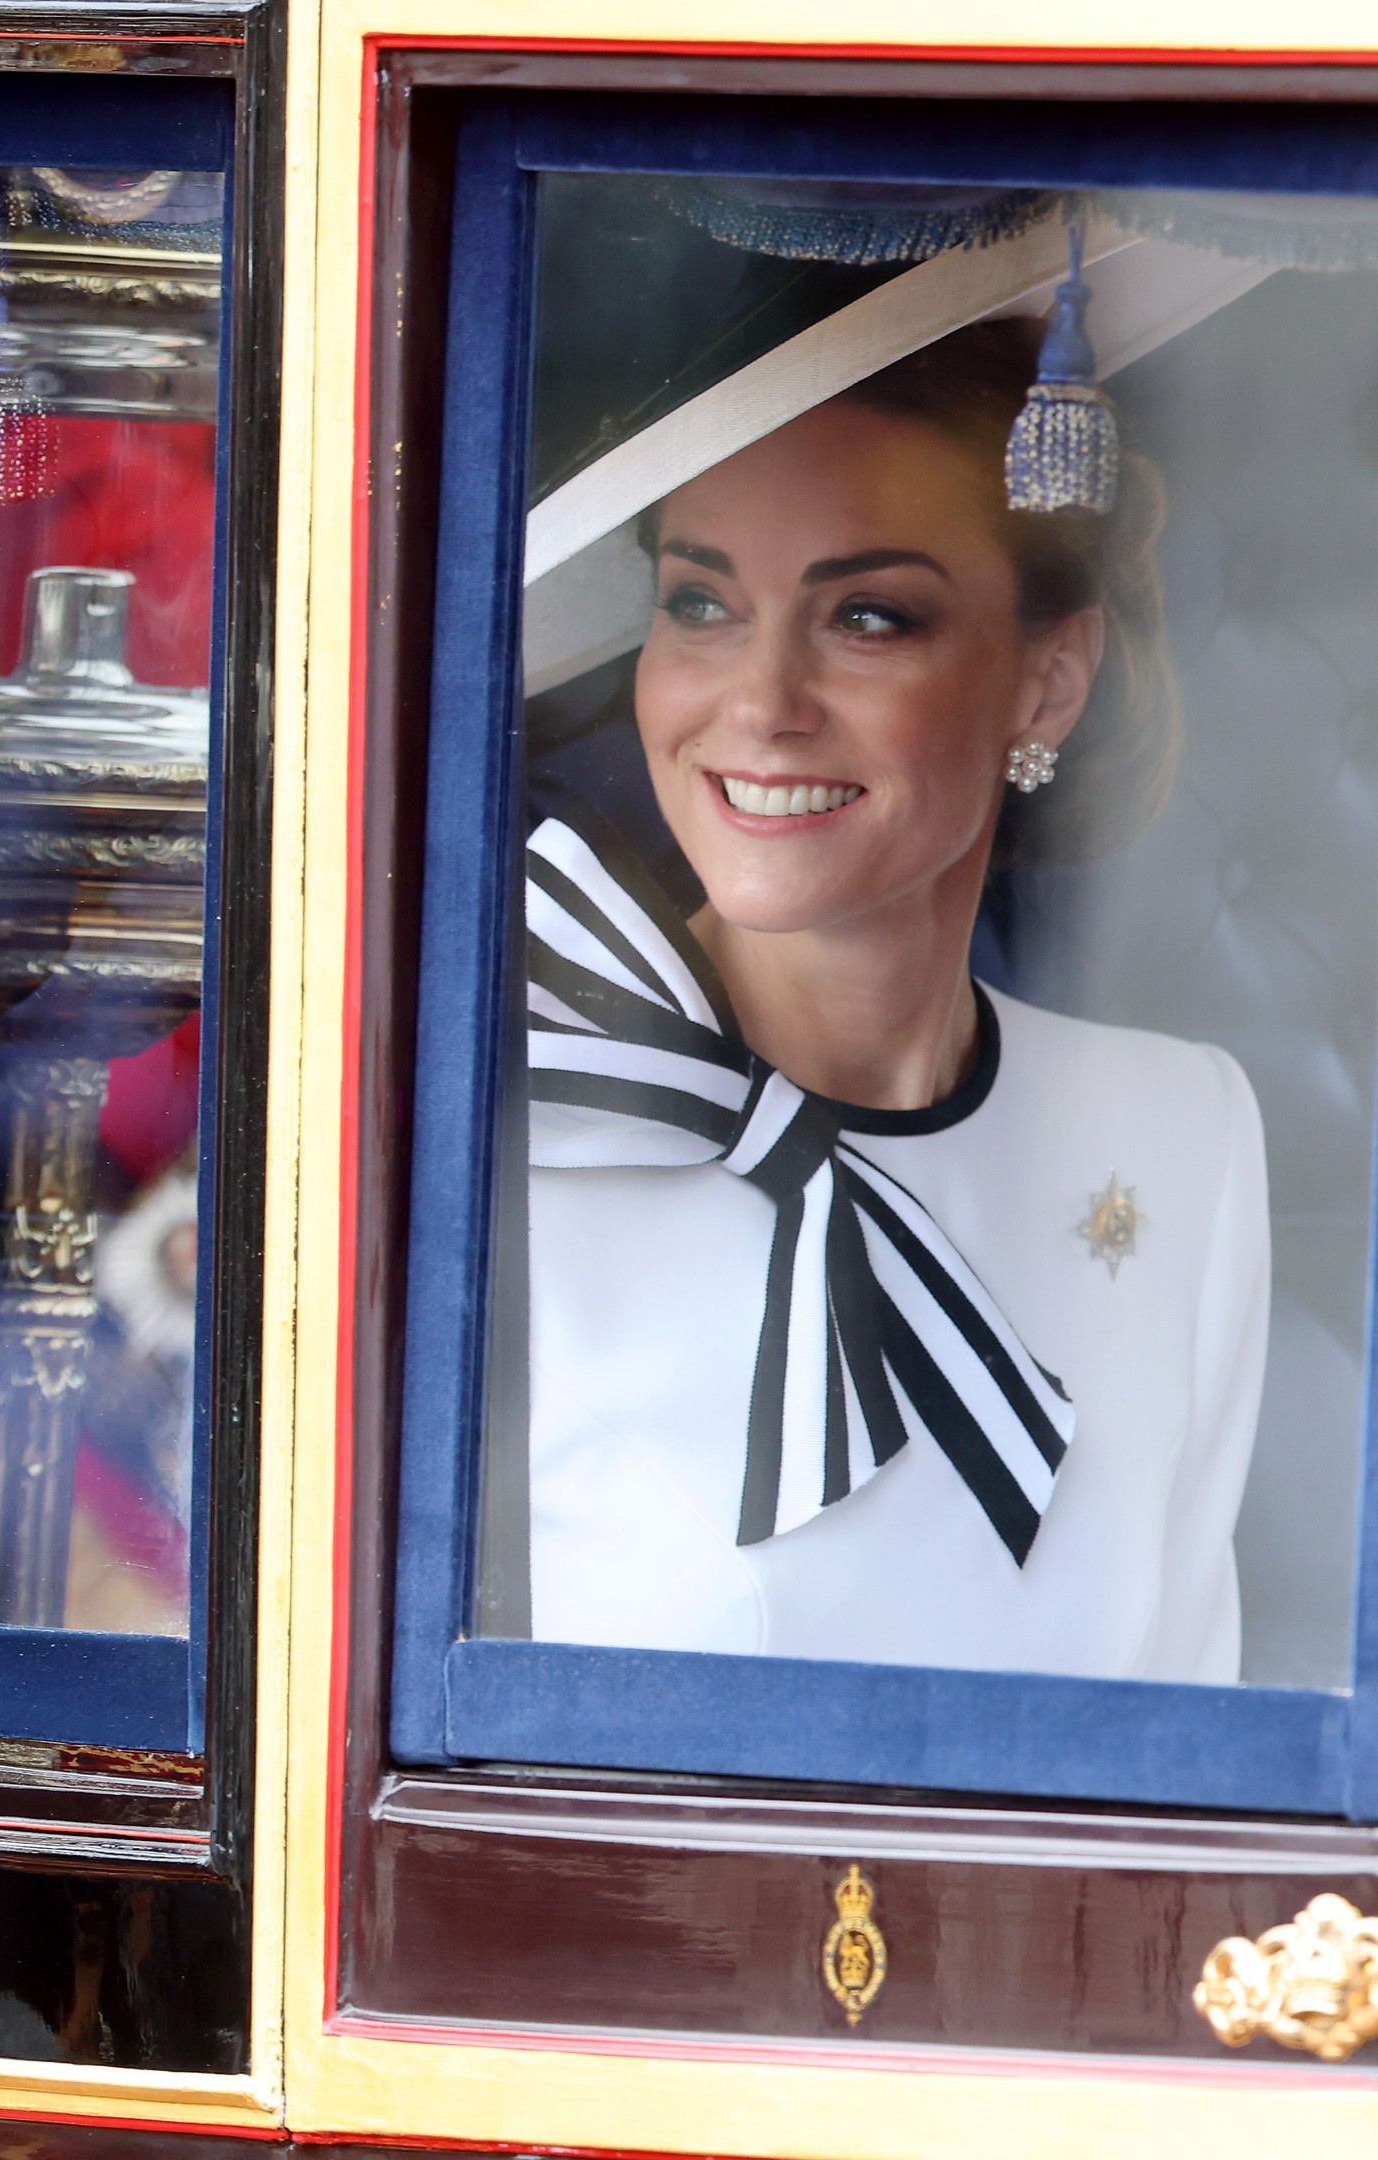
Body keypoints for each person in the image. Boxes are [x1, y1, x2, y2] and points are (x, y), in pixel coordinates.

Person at [521, 320, 1269, 1685]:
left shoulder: (1180, 1137)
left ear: (1045, 678)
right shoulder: (515, 1126)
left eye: (869, 617)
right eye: (701, 604)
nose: (760, 704)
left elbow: (1183, 1761)